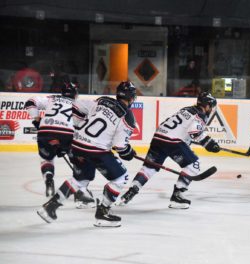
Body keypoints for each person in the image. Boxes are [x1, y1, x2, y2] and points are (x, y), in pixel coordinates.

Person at [37, 81, 138, 227]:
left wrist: (80, 123)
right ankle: (102, 214)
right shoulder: (128, 117)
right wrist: (129, 153)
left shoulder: (102, 100)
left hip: (77, 145)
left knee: (81, 179)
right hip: (96, 150)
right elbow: (120, 147)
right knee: (121, 178)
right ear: (132, 98)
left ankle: (50, 207)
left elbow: (74, 106)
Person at [118, 92, 220, 209]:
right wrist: (209, 144)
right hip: (172, 141)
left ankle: (131, 192)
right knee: (193, 165)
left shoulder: (186, 109)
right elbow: (195, 131)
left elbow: (182, 129)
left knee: (148, 168)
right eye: (211, 106)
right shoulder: (200, 115)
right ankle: (177, 196)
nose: (211, 109)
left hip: (158, 138)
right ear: (207, 105)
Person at [25, 82, 78, 197]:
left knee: (46, 159)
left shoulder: (51, 99)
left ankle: (48, 178)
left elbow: (30, 102)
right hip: (67, 135)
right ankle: (79, 189)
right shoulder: (78, 104)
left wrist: (37, 119)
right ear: (75, 94)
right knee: (78, 162)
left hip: (46, 132)